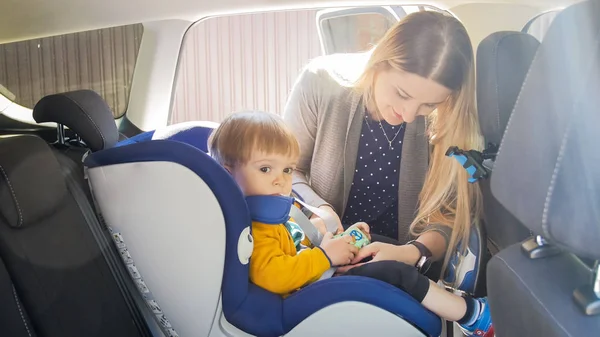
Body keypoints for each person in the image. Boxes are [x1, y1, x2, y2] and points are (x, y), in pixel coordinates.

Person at [282, 10, 492, 335]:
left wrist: (412, 253)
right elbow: (286, 172)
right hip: (320, 251)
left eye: (428, 106)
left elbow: (449, 217)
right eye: (402, 94)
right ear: (380, 61)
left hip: (403, 263)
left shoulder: (450, 124)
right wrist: (320, 211)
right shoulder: (320, 84)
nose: (409, 115)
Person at [208, 111, 493, 336]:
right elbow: (275, 276)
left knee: (380, 243)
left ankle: (439, 287)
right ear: (227, 174)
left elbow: (297, 244)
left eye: (287, 169)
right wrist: (324, 256)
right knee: (395, 274)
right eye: (265, 168)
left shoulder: (271, 212)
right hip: (308, 288)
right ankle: (470, 315)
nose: (280, 180)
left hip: (316, 270)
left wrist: (342, 240)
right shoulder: (256, 227)